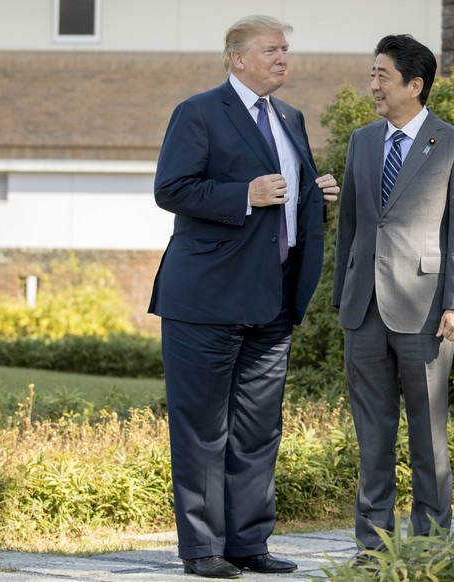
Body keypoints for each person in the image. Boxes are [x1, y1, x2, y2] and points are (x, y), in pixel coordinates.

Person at [149, 15, 339, 579]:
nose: (283, 59)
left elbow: (290, 193)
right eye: (271, 50)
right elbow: (171, 188)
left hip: (272, 298)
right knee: (203, 426)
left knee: (259, 428)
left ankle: (249, 544)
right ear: (236, 58)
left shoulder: (290, 117)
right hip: (205, 299)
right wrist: (245, 194)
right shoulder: (199, 111)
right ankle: (203, 550)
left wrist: (315, 191)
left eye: (286, 50)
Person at [331, 34, 454, 552]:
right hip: (364, 310)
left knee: (428, 435)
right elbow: (349, 227)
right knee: (372, 435)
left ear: (414, 85)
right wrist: (342, 299)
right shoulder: (362, 141)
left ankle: (431, 544)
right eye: (372, 73)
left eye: (382, 76)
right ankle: (373, 547)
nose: (372, 84)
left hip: (427, 313)